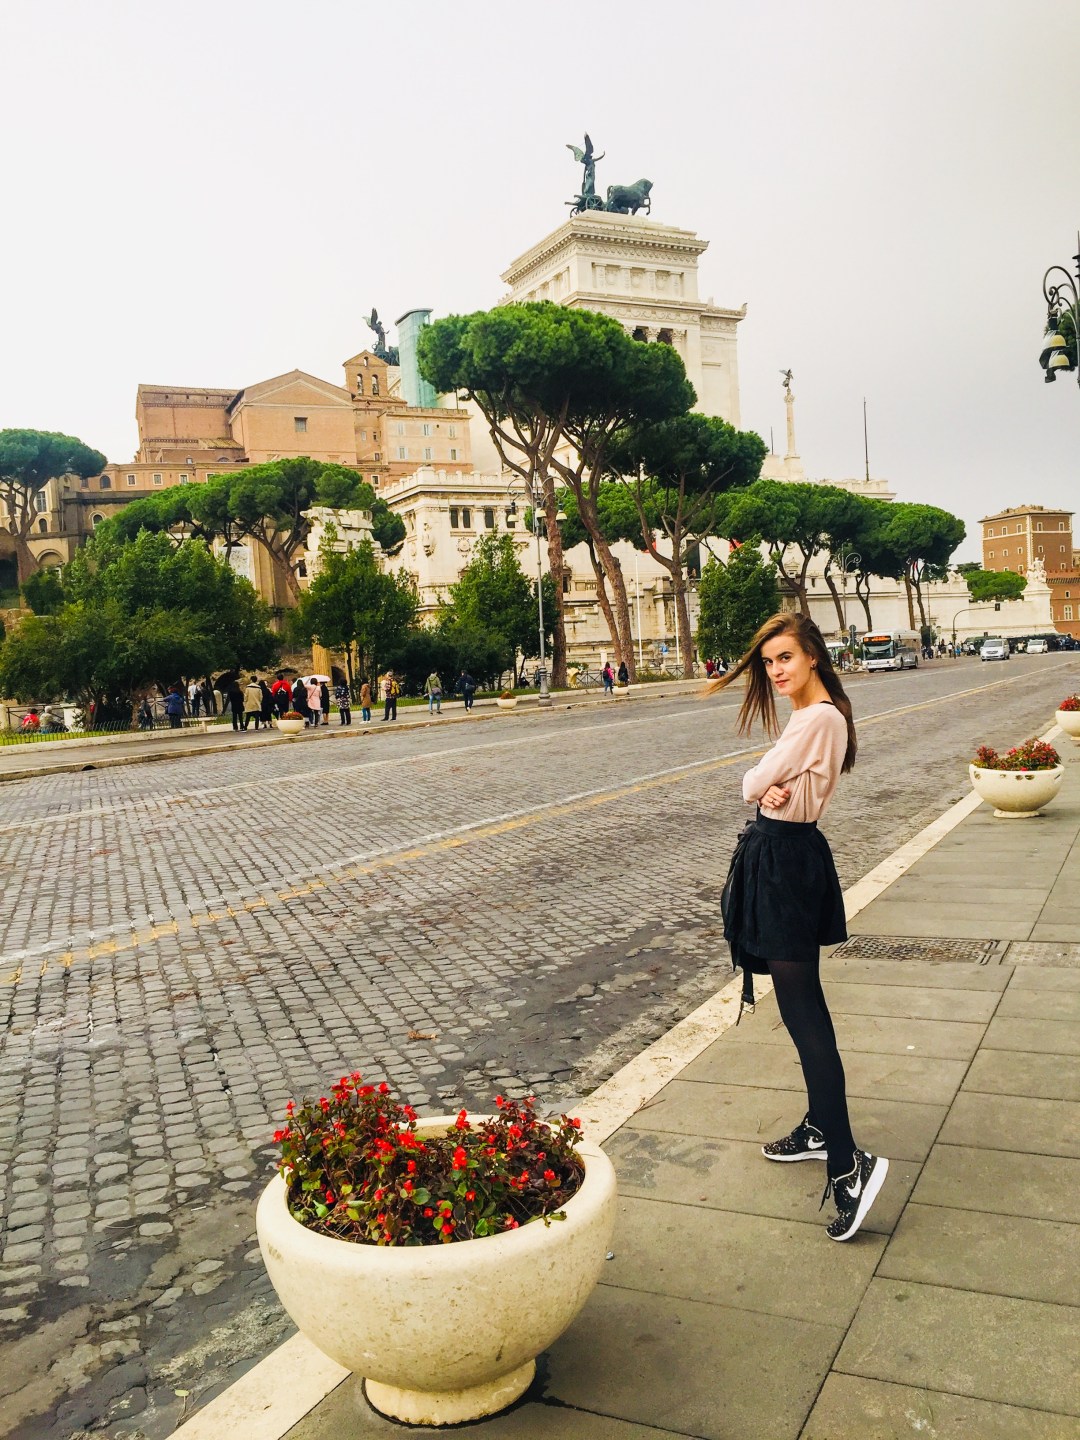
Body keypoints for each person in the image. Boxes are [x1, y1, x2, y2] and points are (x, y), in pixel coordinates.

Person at [709, 612, 888, 1242]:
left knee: (804, 1012)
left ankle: (848, 1164)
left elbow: (752, 781)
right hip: (788, 855)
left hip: (785, 865)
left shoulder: (817, 719)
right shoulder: (819, 715)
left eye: (785, 657)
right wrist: (774, 790)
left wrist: (767, 787)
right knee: (800, 1008)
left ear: (812, 655)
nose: (776, 670)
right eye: (768, 662)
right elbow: (771, 786)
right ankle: (820, 1126)